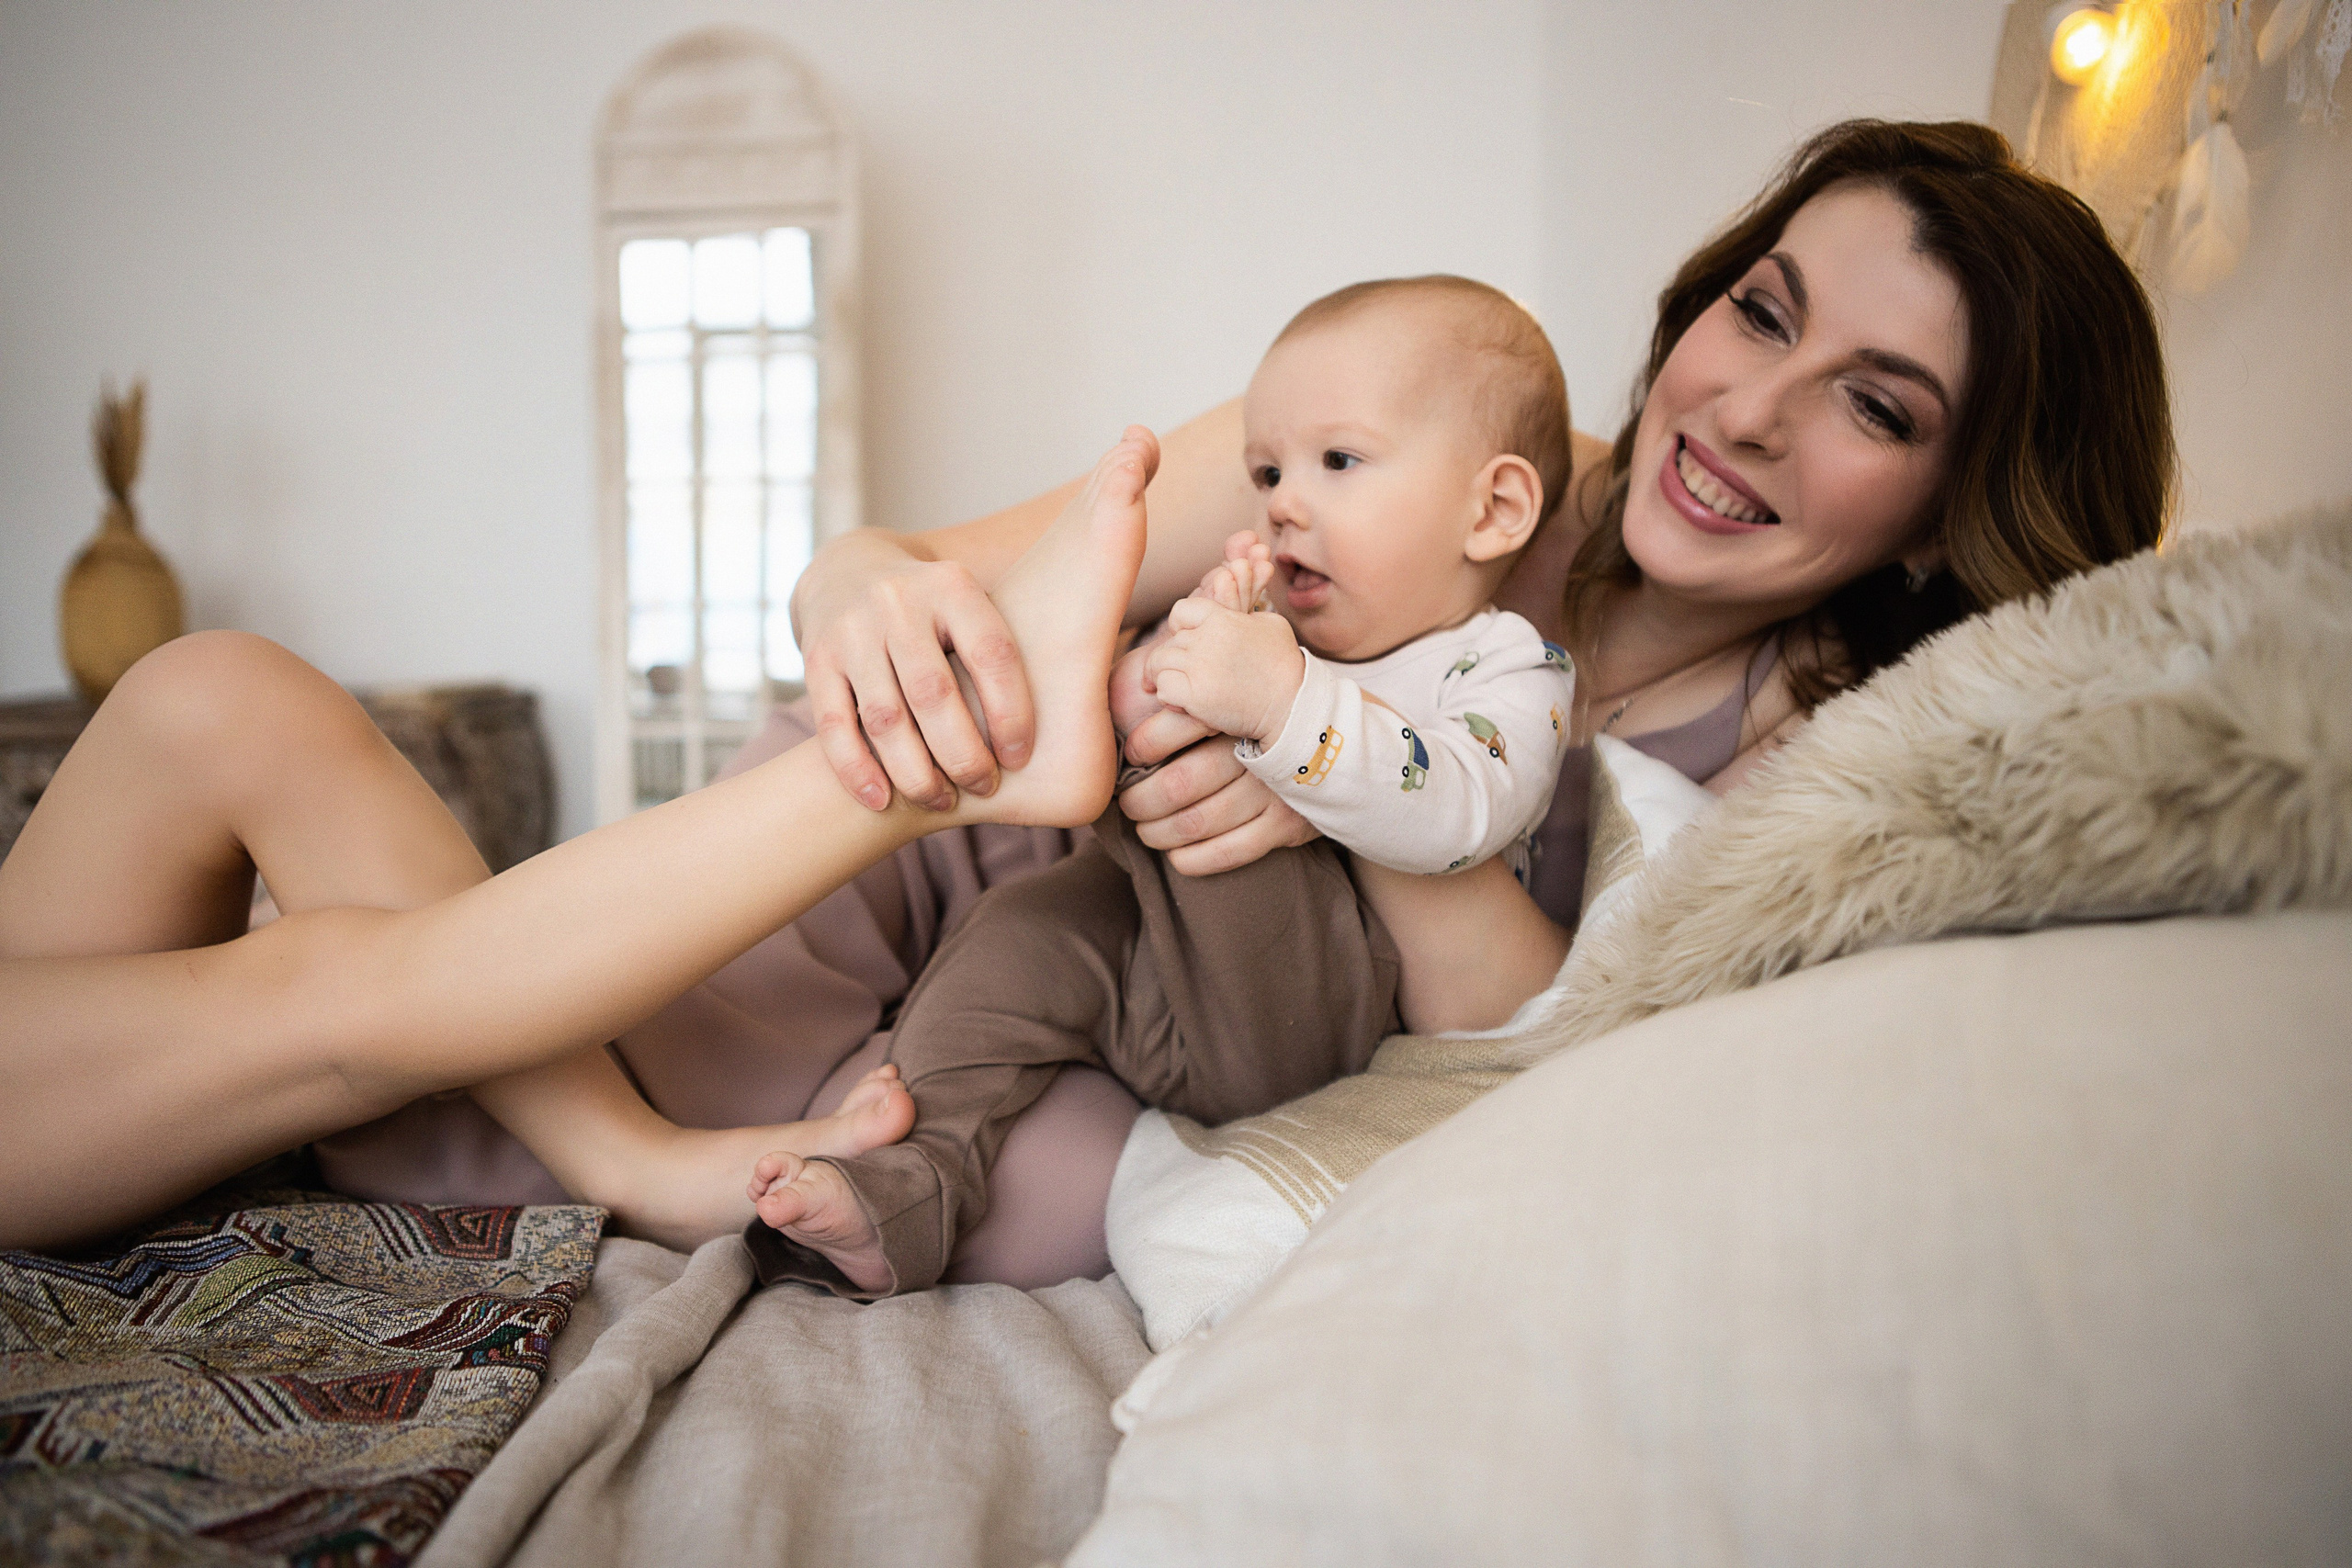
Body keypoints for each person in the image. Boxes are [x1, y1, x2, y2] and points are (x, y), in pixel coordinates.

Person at [0, 119, 2174, 1271]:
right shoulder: (1410, 416)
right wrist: (853, 564)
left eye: (1871, 401)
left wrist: (1326, 776)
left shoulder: (1804, 769)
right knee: (209, 692)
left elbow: (1527, 1048)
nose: (1751, 411)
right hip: (881, 830)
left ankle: (607, 1123)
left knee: (304, 880)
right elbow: (949, 570)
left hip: (997, 991)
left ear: (1945, 503)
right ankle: (634, 1146)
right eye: (1758, 309)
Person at [742, 276, 1577, 1295]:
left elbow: (1456, 814)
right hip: (1147, 973)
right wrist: (1183, 663)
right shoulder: (1278, 627)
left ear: (1492, 510)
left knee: (1197, 784)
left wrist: (1276, 705)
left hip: (1310, 1011)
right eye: (1267, 470)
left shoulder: (1502, 669)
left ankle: (1096, 703)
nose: (1283, 503)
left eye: (1338, 461)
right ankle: (906, 1187)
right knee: (1009, 940)